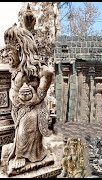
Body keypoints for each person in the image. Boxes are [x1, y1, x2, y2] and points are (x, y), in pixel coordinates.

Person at [1, 24, 54, 171]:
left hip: (32, 111)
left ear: (18, 47)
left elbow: (48, 73)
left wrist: (39, 96)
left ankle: (25, 155)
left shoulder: (35, 69)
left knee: (25, 131)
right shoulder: (19, 67)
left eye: (8, 50)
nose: (5, 55)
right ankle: (22, 151)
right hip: (19, 110)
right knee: (19, 133)